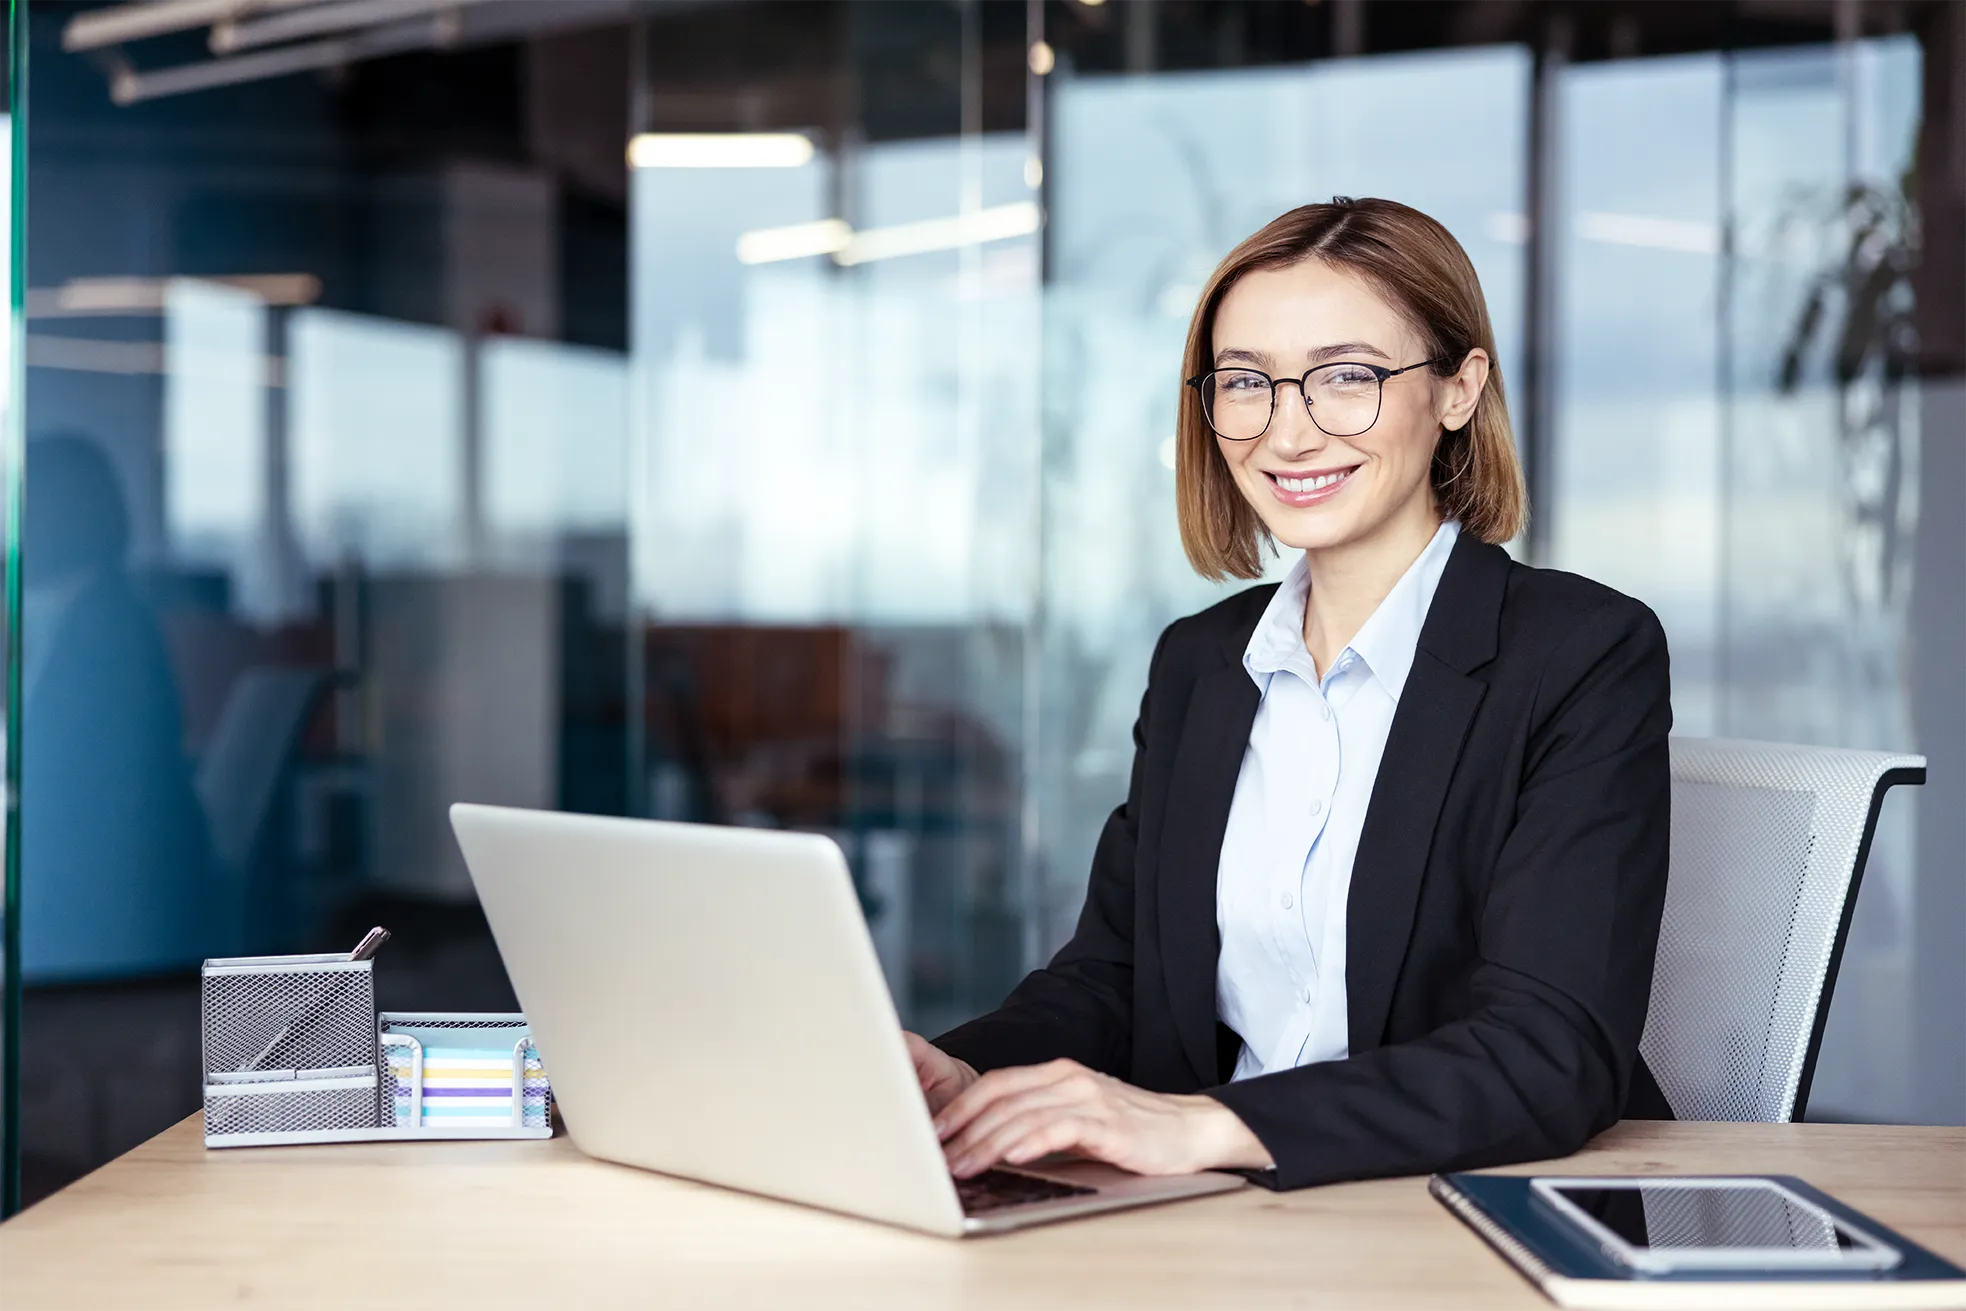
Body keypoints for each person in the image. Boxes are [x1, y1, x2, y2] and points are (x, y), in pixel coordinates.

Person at [907, 197, 1674, 1191]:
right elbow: (1116, 976)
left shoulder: (1578, 655)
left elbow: (1549, 1053)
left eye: (1346, 377)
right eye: (1245, 384)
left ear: (1457, 389)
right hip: (1217, 1218)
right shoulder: (1201, 665)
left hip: (1458, 1210)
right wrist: (966, 1071)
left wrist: (1209, 1126)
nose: (1289, 432)